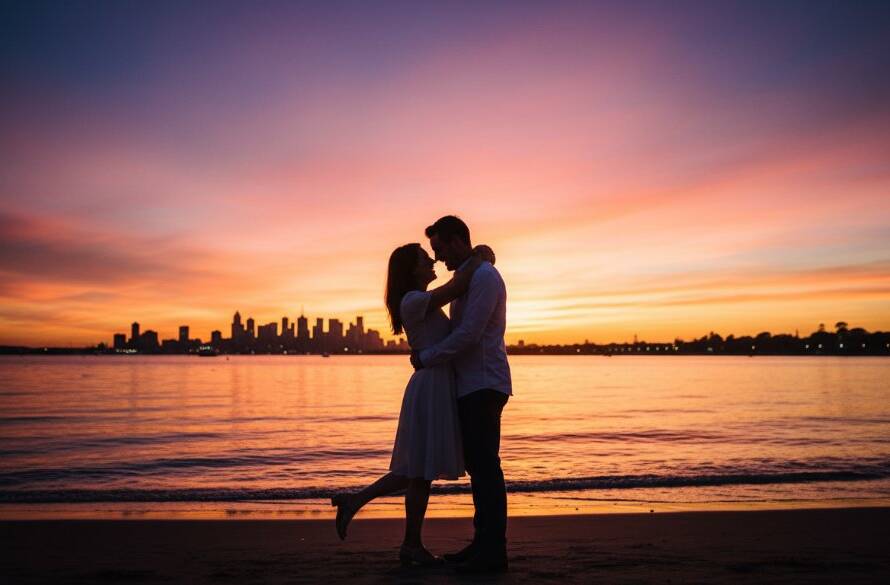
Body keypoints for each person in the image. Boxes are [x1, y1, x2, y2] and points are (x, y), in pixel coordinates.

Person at [331, 241, 492, 567]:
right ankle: (410, 544)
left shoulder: (417, 301)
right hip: (430, 386)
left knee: (416, 471)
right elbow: (457, 285)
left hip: (435, 384)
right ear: (412, 271)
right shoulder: (413, 300)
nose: (432, 260)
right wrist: (481, 257)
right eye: (424, 258)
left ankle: (360, 505)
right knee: (419, 472)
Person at [411, 215, 512, 574]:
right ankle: (482, 543)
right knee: (480, 467)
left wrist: (426, 358)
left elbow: (469, 334)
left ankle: (493, 550)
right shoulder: (467, 278)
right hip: (470, 384)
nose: (437, 258)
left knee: (486, 467)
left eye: (439, 249)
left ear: (457, 240)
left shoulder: (484, 277)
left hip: (484, 383)